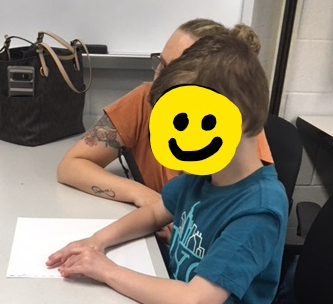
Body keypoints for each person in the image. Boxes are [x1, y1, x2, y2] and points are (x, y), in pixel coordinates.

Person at [47, 33, 288, 304]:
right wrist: (98, 242)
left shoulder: (258, 210)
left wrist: (106, 271)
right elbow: (153, 214)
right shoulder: (203, 176)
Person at [56, 19, 273, 211]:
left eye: (172, 71)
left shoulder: (238, 128)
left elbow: (239, 213)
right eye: (161, 62)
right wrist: (144, 196)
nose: (158, 77)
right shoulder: (145, 99)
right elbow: (71, 166)